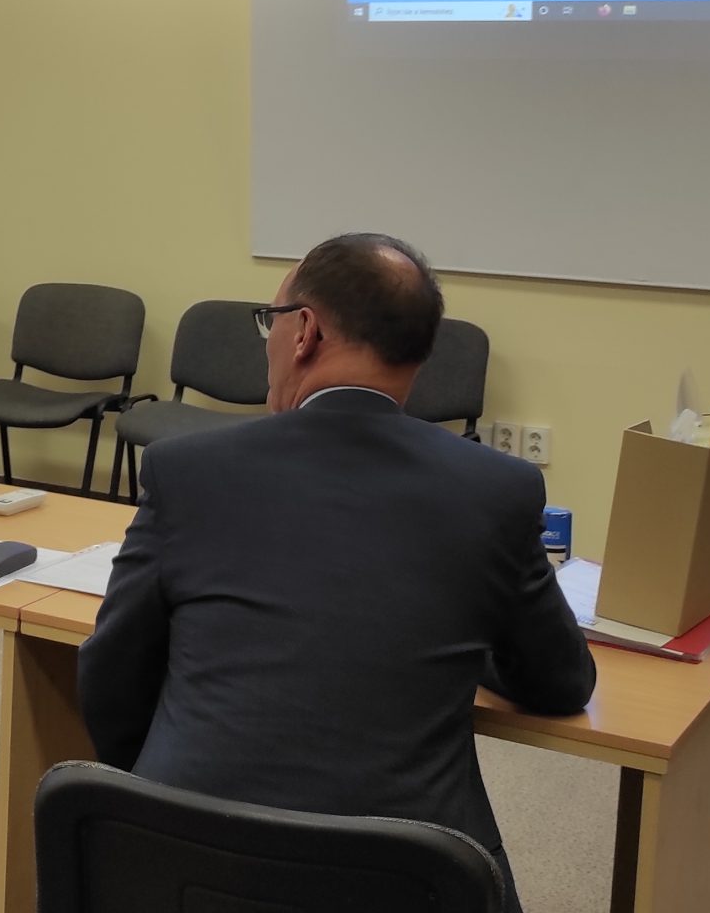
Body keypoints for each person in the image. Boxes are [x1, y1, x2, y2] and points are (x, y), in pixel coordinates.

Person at [76, 233, 596, 913]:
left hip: (185, 864)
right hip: (406, 879)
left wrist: (155, 794)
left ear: (305, 332)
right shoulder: (498, 490)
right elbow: (560, 682)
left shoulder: (189, 471)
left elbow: (110, 678)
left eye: (270, 320)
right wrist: (467, 640)